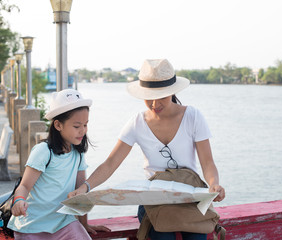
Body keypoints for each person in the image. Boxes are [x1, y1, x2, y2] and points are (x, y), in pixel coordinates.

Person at [69, 59, 225, 240]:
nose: (154, 104)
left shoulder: (193, 117)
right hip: (154, 201)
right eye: (149, 98)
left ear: (172, 92)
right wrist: (84, 188)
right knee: (162, 236)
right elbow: (111, 163)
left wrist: (214, 184)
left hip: (189, 199)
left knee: (198, 237)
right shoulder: (137, 122)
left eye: (162, 97)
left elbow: (208, 163)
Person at [8, 89, 110, 239]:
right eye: (76, 126)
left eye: (85, 125)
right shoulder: (43, 151)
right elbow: (24, 186)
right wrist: (19, 201)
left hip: (63, 223)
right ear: (58, 125)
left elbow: (80, 193)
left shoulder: (78, 153)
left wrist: (84, 225)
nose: (82, 131)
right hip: (31, 225)